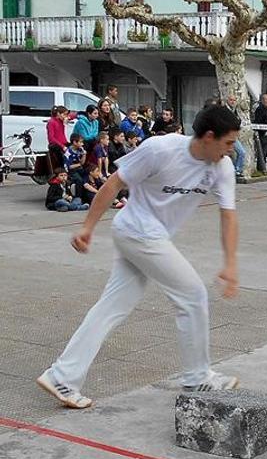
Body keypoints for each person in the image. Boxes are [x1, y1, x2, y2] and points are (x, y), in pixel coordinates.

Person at [36, 105, 242, 409]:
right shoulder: (160, 149)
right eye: (228, 143)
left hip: (148, 237)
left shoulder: (221, 168)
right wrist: (87, 228)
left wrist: (231, 263)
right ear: (209, 137)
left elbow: (228, 216)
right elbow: (114, 183)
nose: (232, 150)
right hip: (136, 231)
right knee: (192, 294)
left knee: (111, 307)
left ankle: (61, 377)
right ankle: (198, 376)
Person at [253, 93, 267, 164]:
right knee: (262, 153)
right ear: (262, 100)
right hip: (262, 134)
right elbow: (258, 121)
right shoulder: (260, 109)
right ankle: (261, 168)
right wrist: (264, 131)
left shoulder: (266, 109)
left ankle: (262, 167)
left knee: (265, 152)